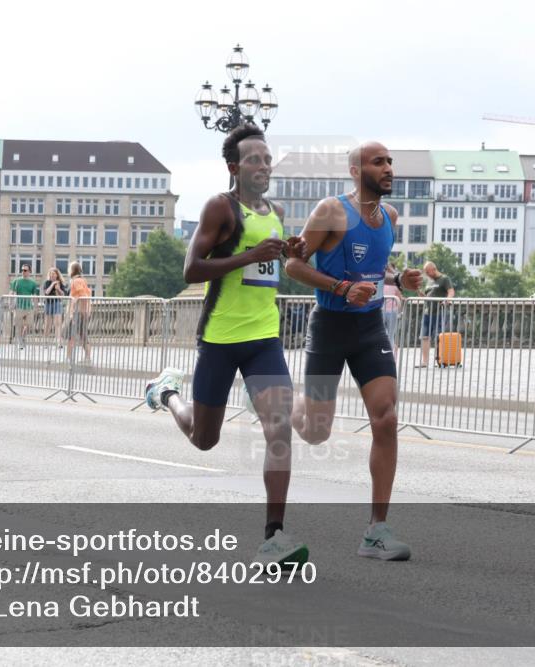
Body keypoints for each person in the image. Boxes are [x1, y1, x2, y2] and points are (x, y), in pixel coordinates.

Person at [143, 124, 308, 566]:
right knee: (204, 439)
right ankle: (166, 392)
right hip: (219, 339)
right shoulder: (221, 207)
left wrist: (293, 254)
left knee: (279, 428)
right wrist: (250, 257)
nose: (264, 165)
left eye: (268, 159)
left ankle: (275, 535)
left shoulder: (274, 211)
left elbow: (273, 268)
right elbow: (192, 269)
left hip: (264, 339)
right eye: (254, 159)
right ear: (234, 167)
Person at [284, 141, 422, 561]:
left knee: (386, 417)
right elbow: (293, 265)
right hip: (329, 326)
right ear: (354, 169)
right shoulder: (331, 211)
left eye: (390, 162)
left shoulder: (390, 217)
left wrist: (400, 279)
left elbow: (376, 267)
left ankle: (376, 530)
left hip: (370, 328)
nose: (388, 168)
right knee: (316, 432)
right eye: (378, 162)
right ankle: (279, 402)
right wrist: (342, 288)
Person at [417, 261, 455, 368]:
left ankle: (440, 360)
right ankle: (424, 362)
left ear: (434, 269)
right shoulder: (429, 281)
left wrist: (447, 300)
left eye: (428, 272)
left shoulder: (444, 279)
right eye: (426, 273)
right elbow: (427, 297)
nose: (427, 275)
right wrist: (420, 294)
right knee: (424, 336)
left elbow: (451, 291)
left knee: (439, 336)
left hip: (439, 311)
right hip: (427, 311)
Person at [66, 262, 93, 364]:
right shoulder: (82, 280)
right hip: (83, 311)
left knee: (71, 335)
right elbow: (87, 294)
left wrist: (75, 301)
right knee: (83, 335)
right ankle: (87, 358)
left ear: (72, 270)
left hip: (78, 312)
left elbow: (83, 295)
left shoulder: (76, 281)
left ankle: (68, 358)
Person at [9, 264, 38, 350]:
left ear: (29, 271)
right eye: (22, 270)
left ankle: (23, 338)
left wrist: (36, 307)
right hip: (19, 306)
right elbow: (11, 292)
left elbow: (35, 295)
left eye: (25, 270)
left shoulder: (33, 283)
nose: (23, 272)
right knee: (18, 325)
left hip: (28, 307)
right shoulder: (16, 281)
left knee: (28, 325)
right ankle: (20, 342)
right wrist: (10, 302)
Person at [382, 264, 403, 357]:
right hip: (382, 310)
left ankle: (389, 356)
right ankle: (385, 355)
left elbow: (399, 298)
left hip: (391, 311)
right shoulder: (382, 281)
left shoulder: (394, 284)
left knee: (390, 334)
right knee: (384, 334)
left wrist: (399, 312)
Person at [42, 268, 67, 347]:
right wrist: (52, 284)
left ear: (57, 274)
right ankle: (45, 341)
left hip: (57, 303)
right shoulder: (47, 282)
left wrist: (58, 289)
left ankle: (58, 341)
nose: (52, 275)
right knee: (47, 324)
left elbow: (63, 295)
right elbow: (46, 293)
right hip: (48, 304)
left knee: (58, 323)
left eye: (54, 273)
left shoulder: (61, 283)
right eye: (51, 274)